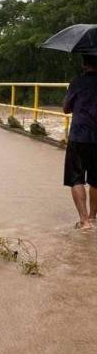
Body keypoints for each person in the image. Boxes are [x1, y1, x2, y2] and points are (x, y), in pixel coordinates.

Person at [63, 54, 97, 230]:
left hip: (79, 136)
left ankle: (84, 222)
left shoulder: (77, 82)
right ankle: (93, 217)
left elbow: (66, 108)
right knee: (96, 180)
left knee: (76, 178)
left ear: (84, 63)